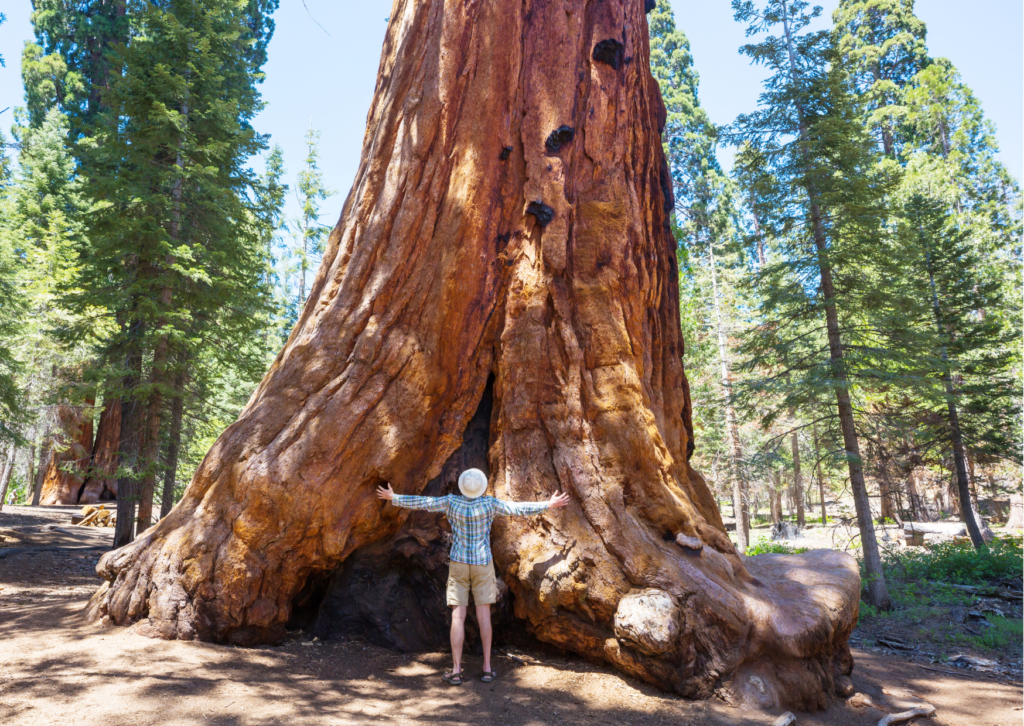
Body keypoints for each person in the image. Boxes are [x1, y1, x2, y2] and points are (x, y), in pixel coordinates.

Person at [376, 468, 570, 685]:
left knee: (457, 617)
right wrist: (548, 504)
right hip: (482, 564)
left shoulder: (451, 502)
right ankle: (486, 668)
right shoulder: (490, 504)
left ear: (462, 486)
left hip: (459, 563)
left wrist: (394, 497)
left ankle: (456, 670)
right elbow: (517, 508)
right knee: (484, 616)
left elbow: (424, 503)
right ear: (481, 487)